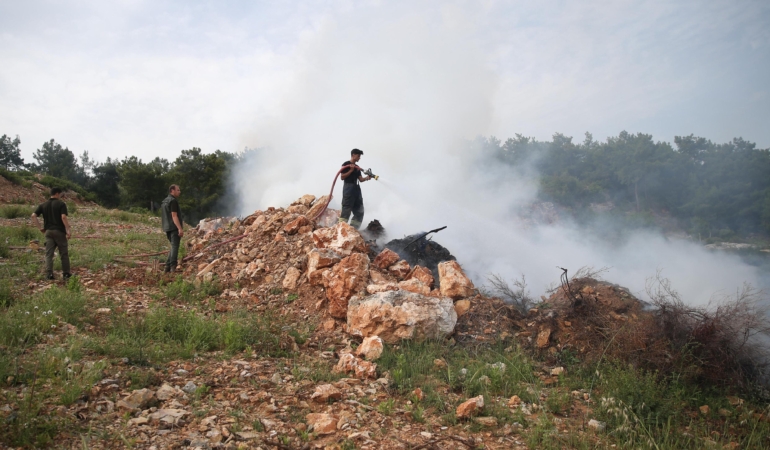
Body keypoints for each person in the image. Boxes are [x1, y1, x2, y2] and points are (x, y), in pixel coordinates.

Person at [31, 187, 72, 280]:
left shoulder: (43, 205)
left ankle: (49, 274)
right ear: (57, 194)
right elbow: (63, 217)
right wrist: (68, 230)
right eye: (60, 194)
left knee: (49, 254)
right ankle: (66, 274)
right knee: (63, 254)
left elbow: (33, 215)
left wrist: (40, 227)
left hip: (48, 232)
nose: (61, 196)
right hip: (59, 232)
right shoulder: (61, 204)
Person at [339, 148, 372, 229]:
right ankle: (340, 229)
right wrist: (351, 170)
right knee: (346, 210)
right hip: (348, 189)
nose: (359, 158)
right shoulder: (346, 164)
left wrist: (367, 178)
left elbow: (360, 179)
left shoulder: (357, 167)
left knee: (360, 211)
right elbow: (342, 177)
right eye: (358, 156)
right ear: (353, 155)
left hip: (356, 190)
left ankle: (354, 229)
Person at [161, 184, 184, 272]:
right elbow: (174, 216)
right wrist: (180, 228)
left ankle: (167, 267)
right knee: (175, 247)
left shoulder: (164, 201)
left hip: (167, 228)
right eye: (178, 190)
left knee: (173, 247)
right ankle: (173, 267)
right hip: (174, 227)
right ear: (172, 191)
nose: (179, 192)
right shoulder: (173, 201)